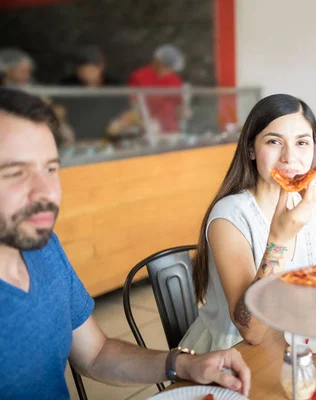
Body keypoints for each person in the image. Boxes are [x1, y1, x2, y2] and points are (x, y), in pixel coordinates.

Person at [0, 88, 250, 399]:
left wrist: (183, 364)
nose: (47, 192)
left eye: (50, 168)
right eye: (15, 173)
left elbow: (95, 354)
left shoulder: (45, 249)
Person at [180, 94, 316, 353]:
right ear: (251, 149)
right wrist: (280, 240)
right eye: (274, 141)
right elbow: (251, 330)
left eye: (302, 142)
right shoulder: (229, 216)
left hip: (298, 340)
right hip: (236, 352)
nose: (289, 157)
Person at [128, 44, 185, 133]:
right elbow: (133, 105)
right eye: (166, 66)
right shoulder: (139, 76)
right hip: (147, 130)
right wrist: (143, 123)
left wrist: (184, 113)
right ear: (157, 62)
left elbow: (179, 105)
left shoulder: (175, 79)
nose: (169, 70)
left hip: (171, 130)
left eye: (171, 68)